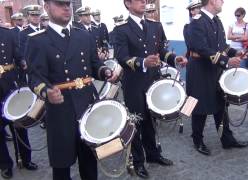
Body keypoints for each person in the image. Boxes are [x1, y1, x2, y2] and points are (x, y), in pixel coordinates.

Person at [25, 0, 118, 179]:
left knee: (90, 163)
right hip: (60, 111)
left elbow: (94, 64)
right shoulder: (38, 41)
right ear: (47, 7)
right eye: (60, 4)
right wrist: (46, 92)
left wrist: (104, 71)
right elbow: (35, 78)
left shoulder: (83, 35)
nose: (66, 8)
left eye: (67, 4)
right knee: (62, 167)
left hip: (87, 107)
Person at [114, 0, 187, 178]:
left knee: (152, 120)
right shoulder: (120, 29)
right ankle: (138, 161)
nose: (144, 2)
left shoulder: (155, 25)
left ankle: (153, 155)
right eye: (139, 0)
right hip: (133, 83)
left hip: (153, 81)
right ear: (128, 4)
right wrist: (142, 62)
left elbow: (162, 50)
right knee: (137, 122)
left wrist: (174, 59)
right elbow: (122, 57)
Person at [186, 0, 248, 156]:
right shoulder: (197, 21)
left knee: (221, 104)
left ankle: (227, 139)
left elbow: (222, 46)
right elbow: (201, 48)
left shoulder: (217, 21)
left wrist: (235, 53)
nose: (222, 2)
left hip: (216, 70)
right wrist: (226, 61)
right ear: (212, 1)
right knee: (199, 107)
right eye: (220, 0)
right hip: (200, 71)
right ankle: (197, 140)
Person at [0, 26, 38, 180]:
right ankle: (5, 165)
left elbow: (17, 54)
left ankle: (25, 159)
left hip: (10, 84)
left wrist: (23, 62)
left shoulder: (8, 33)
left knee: (19, 125)